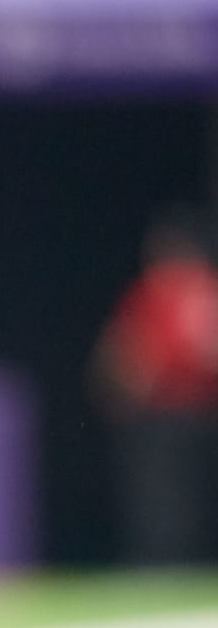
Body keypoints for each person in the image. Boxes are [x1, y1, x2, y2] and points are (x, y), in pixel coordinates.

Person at [89, 207, 218, 564]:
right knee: (174, 502)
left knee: (164, 502)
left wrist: (122, 393)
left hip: (170, 417)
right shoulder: (203, 289)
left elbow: (128, 352)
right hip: (191, 416)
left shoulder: (164, 290)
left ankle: (167, 567)